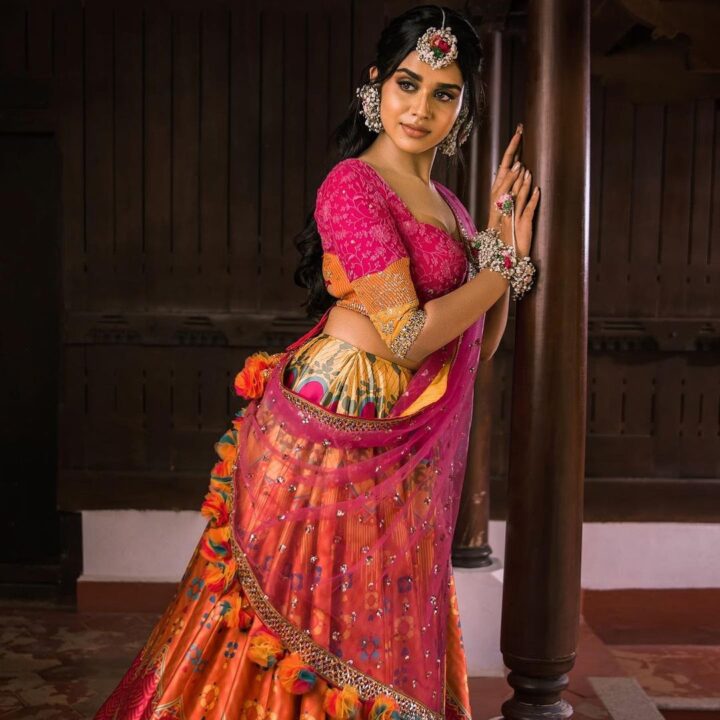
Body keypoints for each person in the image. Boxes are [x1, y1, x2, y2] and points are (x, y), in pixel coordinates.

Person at [93, 5, 539, 720]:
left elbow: (474, 347)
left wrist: (497, 247)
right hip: (333, 432)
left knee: (372, 617)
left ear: (466, 107)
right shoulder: (353, 187)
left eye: (444, 92)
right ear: (375, 88)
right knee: (311, 619)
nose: (420, 108)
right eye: (407, 83)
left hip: (402, 439)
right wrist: (503, 270)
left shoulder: (452, 206)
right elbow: (404, 335)